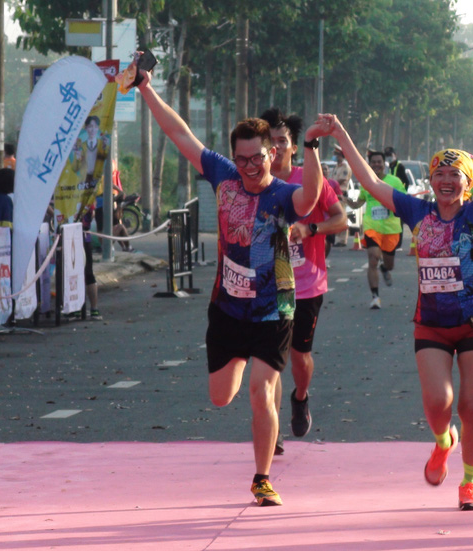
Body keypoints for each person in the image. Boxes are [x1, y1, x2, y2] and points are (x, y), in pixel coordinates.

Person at [136, 59, 325, 507]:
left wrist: (314, 148)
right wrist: (146, 89)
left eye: (255, 159)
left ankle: (262, 478)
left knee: (262, 391)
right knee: (221, 398)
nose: (247, 168)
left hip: (273, 308)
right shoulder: (222, 175)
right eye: (240, 159)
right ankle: (239, 363)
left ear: (271, 154)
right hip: (226, 308)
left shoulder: (281, 195)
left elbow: (311, 198)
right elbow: (181, 134)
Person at [318, 104, 473, 512]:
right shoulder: (417, 211)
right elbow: (367, 179)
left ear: (466, 183)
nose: (445, 181)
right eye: (439, 173)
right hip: (432, 326)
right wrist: (340, 133)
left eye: (454, 175)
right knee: (439, 404)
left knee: (472, 405)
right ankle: (443, 442)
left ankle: (469, 483)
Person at [260, 107, 348, 447]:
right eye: (271, 141)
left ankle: (300, 396)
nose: (277, 146)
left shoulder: (310, 179)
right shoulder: (255, 183)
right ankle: (274, 427)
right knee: (272, 358)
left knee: (299, 356)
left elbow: (340, 220)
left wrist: (309, 228)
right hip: (267, 284)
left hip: (306, 283)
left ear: (294, 146)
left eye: (283, 141)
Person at [345, 149, 406, 309]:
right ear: (369, 164)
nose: (376, 165)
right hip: (372, 227)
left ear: (384, 164)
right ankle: (375, 297)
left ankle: (385, 269)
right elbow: (359, 202)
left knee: (389, 264)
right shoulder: (366, 183)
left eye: (379, 162)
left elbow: (404, 201)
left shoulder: (395, 182)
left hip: (391, 229)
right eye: (374, 162)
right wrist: (346, 201)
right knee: (373, 257)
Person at [320, 162, 343, 258]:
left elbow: (340, 196)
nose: (324, 170)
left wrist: (331, 197)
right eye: (322, 168)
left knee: (329, 242)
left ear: (329, 171)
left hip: (331, 218)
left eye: (326, 169)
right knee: (321, 241)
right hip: (319, 218)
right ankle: (319, 260)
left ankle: (323, 259)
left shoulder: (334, 183)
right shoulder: (314, 182)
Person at [333, 146, 354, 246]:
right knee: (336, 217)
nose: (335, 157)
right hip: (334, 194)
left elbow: (342, 179)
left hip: (341, 194)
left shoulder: (345, 167)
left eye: (337, 155)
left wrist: (331, 185)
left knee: (342, 217)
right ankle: (337, 238)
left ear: (341, 155)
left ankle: (342, 240)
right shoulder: (337, 166)